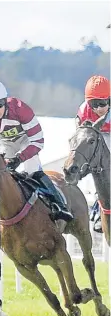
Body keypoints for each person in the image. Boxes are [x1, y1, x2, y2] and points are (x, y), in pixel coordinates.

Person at [0, 79, 73, 222]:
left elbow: (38, 141)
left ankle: (59, 206)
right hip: (4, 144)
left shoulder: (21, 109)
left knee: (32, 169)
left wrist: (20, 158)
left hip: (26, 141)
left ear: (5, 101)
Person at [76, 75, 110, 232]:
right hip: (98, 136)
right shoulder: (84, 111)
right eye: (93, 104)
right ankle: (99, 207)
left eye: (101, 104)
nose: (97, 109)